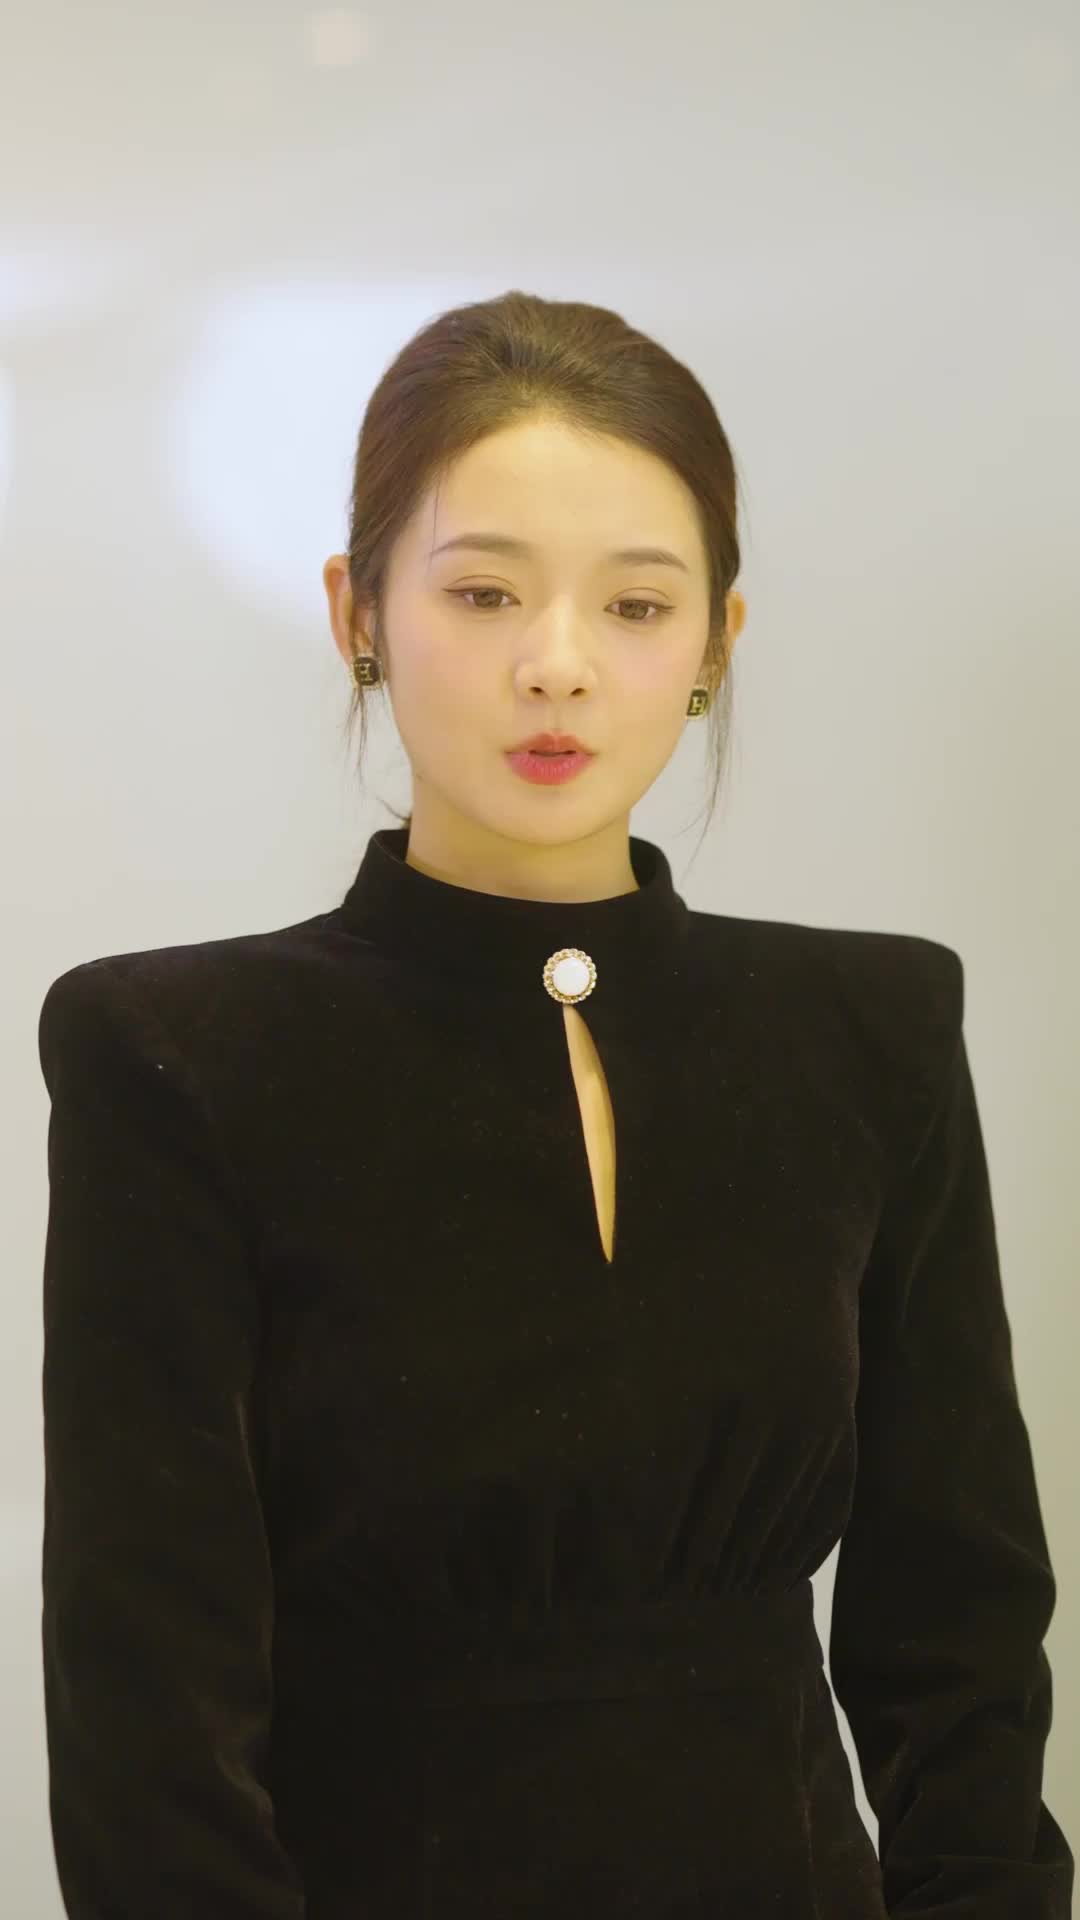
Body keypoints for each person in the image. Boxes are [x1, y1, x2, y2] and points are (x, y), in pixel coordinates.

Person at [37, 290, 1072, 1918]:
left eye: (638, 605)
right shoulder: (173, 1054)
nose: (559, 667)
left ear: (718, 641)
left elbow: (959, 1621)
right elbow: (147, 1691)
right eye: (485, 592)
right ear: (357, 610)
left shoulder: (871, 1031)